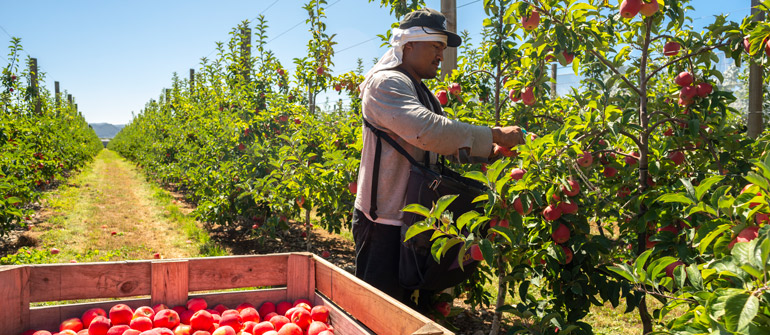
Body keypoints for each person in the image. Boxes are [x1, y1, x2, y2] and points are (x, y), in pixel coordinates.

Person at [351, 7, 526, 311]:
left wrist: (489, 152)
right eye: (435, 47)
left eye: (442, 49)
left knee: (413, 309)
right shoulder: (386, 84)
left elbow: (438, 147)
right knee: (379, 312)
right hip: (384, 222)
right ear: (409, 45)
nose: (440, 56)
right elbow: (427, 131)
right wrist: (495, 134)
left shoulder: (419, 90)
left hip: (419, 220)